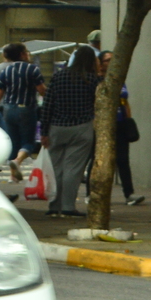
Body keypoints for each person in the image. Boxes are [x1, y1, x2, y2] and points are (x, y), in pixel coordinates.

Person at [41, 46, 99, 218]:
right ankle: (68, 206)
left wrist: (44, 131)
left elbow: (48, 104)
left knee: (56, 168)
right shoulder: (92, 79)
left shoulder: (59, 76)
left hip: (57, 127)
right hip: (82, 128)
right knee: (73, 169)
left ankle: (54, 205)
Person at [0, 43, 44, 182]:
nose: (28, 54)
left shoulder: (6, 71)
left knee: (14, 142)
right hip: (27, 109)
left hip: (8, 110)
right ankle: (17, 161)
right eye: (26, 52)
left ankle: (13, 176)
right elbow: (42, 90)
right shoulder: (32, 70)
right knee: (28, 143)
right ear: (22, 54)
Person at [97, 50, 144, 207]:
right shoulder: (97, 80)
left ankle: (129, 193)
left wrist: (128, 119)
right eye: (107, 60)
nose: (111, 63)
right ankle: (94, 193)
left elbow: (125, 100)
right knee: (97, 160)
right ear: (101, 63)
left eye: (113, 59)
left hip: (121, 122)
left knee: (123, 160)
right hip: (104, 125)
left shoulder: (119, 79)